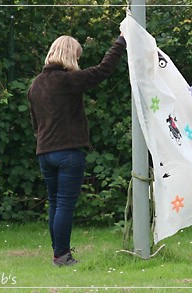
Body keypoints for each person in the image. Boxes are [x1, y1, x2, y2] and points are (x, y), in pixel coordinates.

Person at [28, 33, 126, 266]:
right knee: (64, 204)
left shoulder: (34, 85)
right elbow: (103, 70)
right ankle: (62, 256)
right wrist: (121, 42)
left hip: (44, 151)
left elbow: (35, 123)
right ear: (70, 56)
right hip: (68, 150)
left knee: (54, 202)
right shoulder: (67, 80)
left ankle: (58, 253)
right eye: (78, 57)